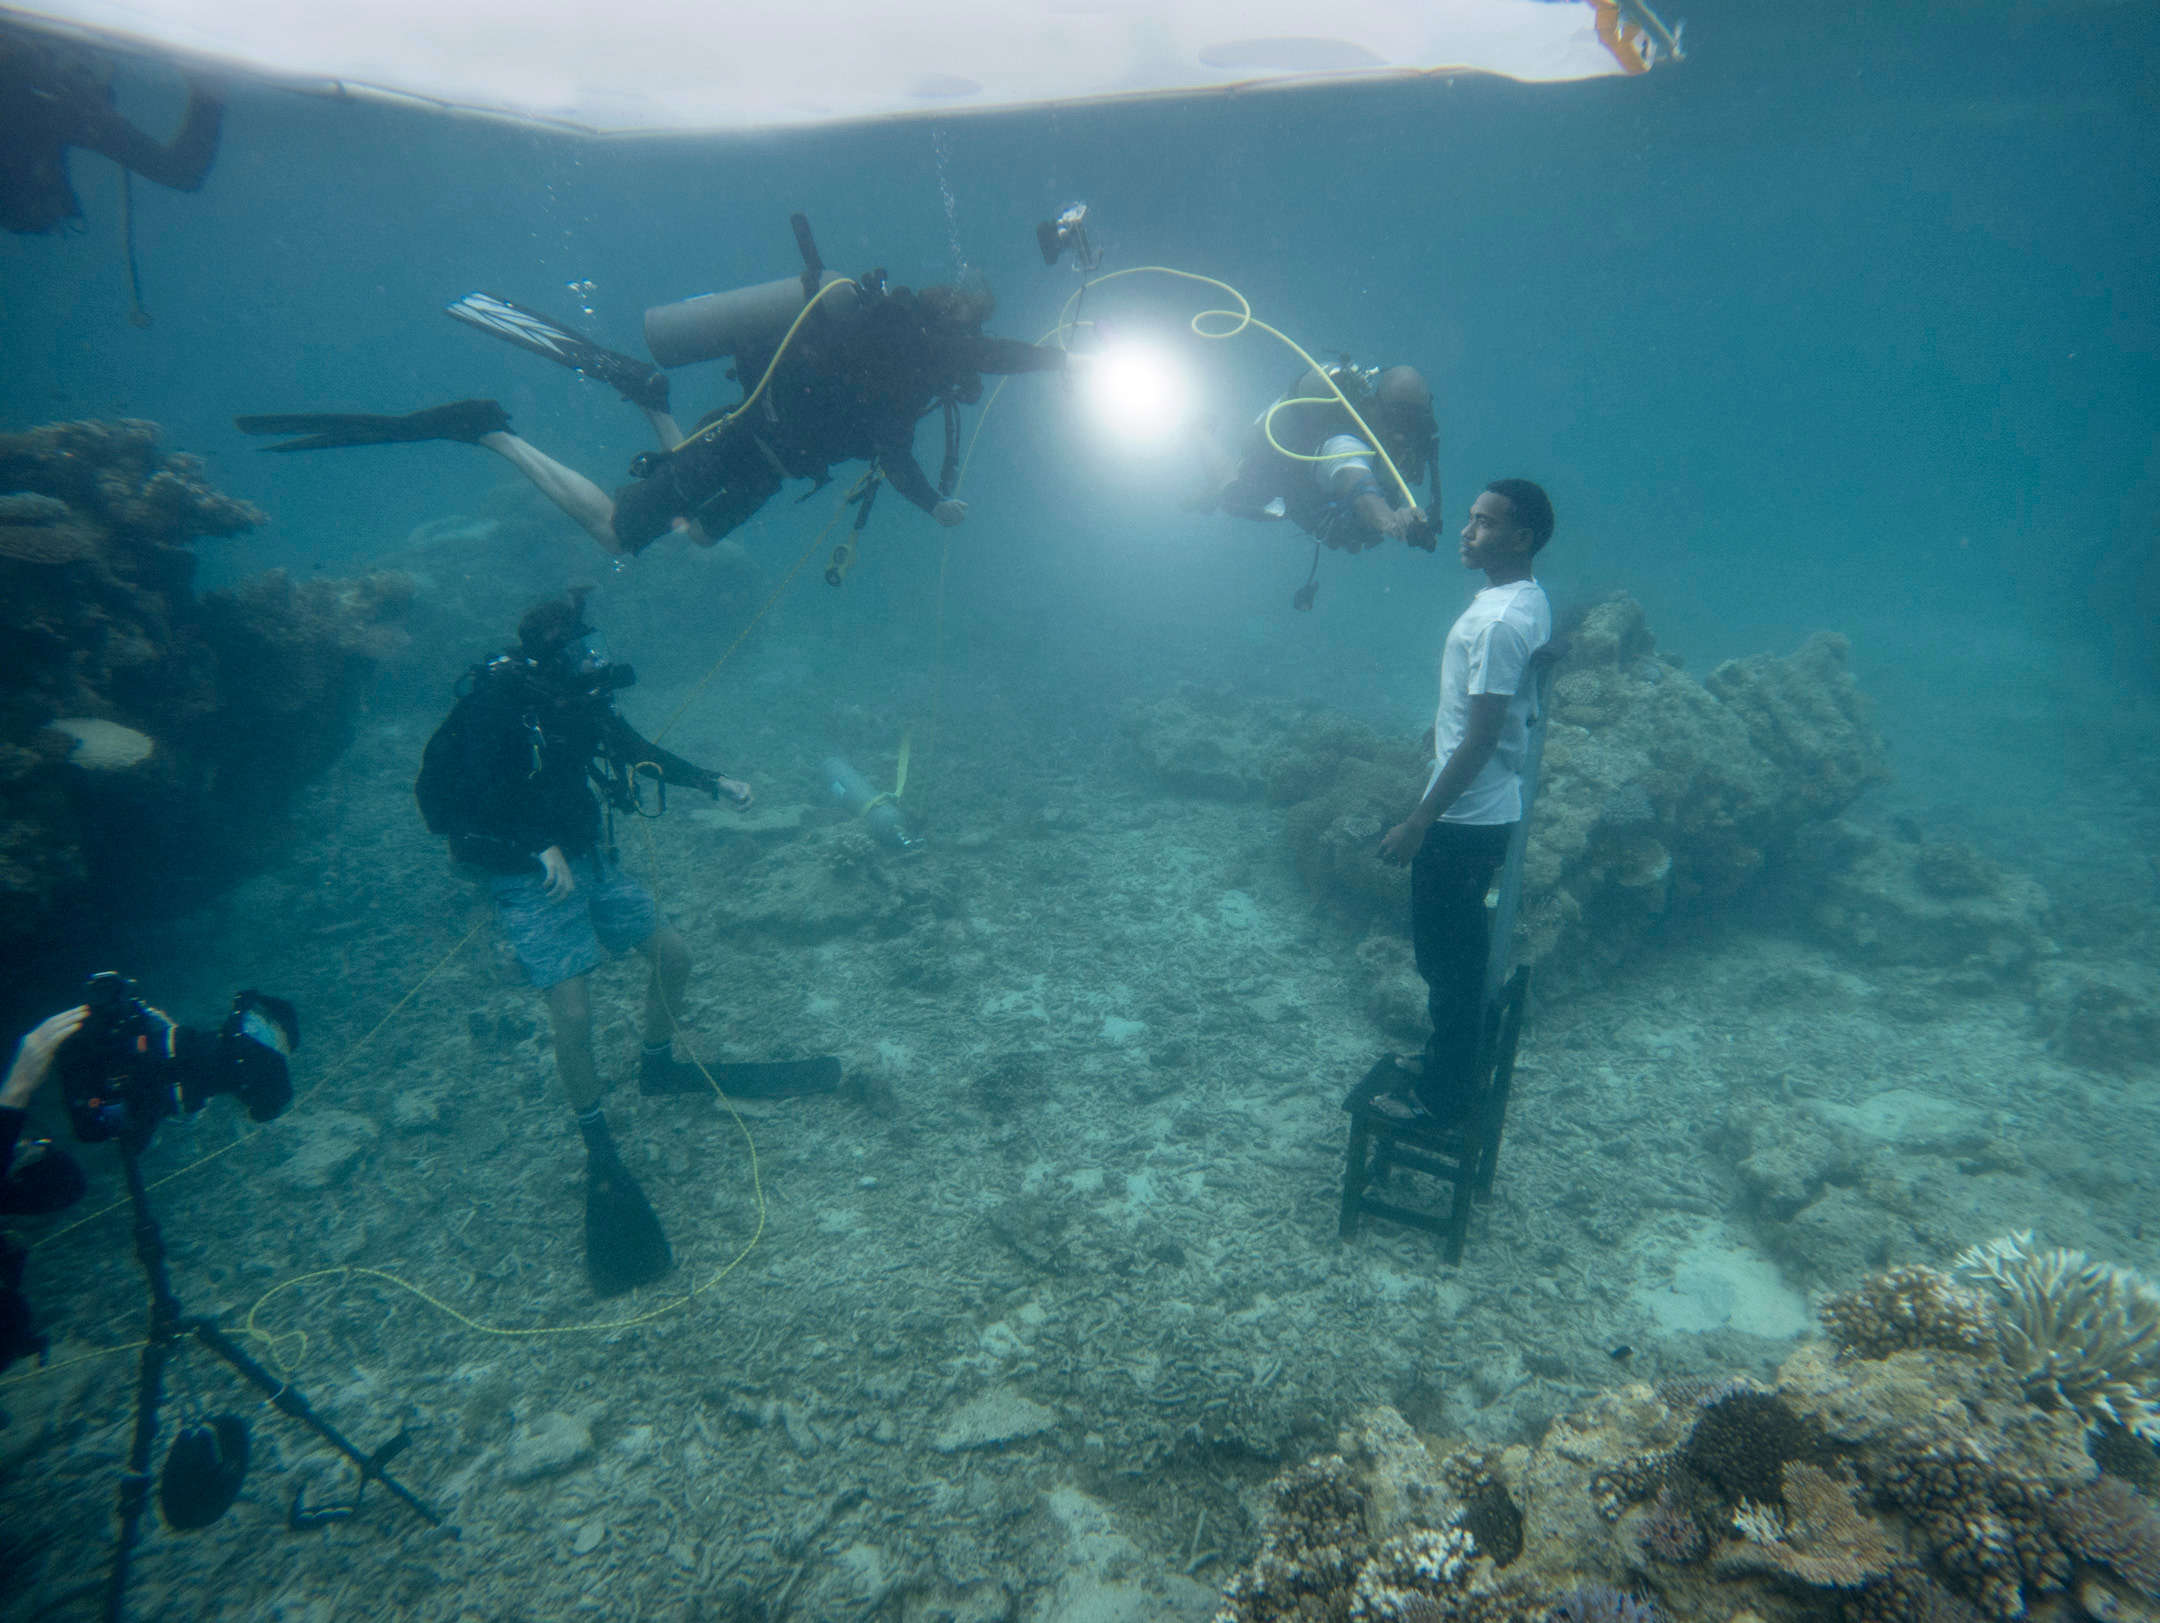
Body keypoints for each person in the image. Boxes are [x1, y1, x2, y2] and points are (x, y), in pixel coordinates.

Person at [416, 588, 752, 1295]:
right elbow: (478, 792)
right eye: (579, 649)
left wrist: (710, 781)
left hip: (587, 860)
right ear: (548, 656)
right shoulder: (497, 705)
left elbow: (632, 750)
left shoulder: (577, 701)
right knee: (572, 1012)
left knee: (675, 954)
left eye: (590, 644)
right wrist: (537, 847)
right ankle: (596, 1133)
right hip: (526, 872)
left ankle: (656, 1065)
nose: (592, 660)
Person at [236, 277, 1070, 559]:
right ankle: (489, 428)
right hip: (743, 445)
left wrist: (1061, 360)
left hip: (760, 464)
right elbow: (899, 455)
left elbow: (984, 366)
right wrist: (935, 506)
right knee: (614, 534)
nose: (965, 382)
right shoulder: (903, 379)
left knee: (696, 538)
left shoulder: (892, 354)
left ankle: (650, 397)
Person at [1375, 478, 1555, 1125]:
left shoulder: (1501, 620)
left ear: (1521, 537)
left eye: (1483, 522)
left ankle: (1441, 1099)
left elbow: (1481, 737)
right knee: (1458, 957)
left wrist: (1419, 820)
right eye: (1471, 517)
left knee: (1445, 963)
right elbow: (1494, 708)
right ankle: (1450, 1063)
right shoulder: (1525, 600)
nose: (1466, 530)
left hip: (1461, 818)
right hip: (1485, 808)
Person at [0, 22, 223, 235]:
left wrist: (208, 88)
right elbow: (181, 172)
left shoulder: (59, 110)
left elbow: (182, 172)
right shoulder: (62, 112)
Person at [1197, 363, 1439, 557]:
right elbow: (1358, 484)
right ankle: (1200, 432)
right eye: (1399, 420)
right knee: (1231, 495)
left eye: (1414, 422)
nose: (1403, 434)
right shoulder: (1345, 441)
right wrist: (1390, 521)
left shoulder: (1405, 442)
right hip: (1282, 472)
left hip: (1320, 493)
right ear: (1379, 409)